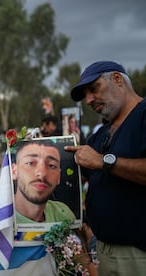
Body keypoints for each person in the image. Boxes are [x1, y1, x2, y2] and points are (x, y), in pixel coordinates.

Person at [65, 61, 146, 275]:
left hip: (137, 255)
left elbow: (100, 162)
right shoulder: (99, 135)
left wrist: (103, 161)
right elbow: (79, 178)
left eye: (94, 89)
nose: (89, 100)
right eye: (86, 95)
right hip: (103, 251)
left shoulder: (143, 114)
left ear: (117, 79)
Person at [12, 139, 76, 225]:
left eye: (51, 165)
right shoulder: (1, 221)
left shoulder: (64, 214)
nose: (42, 174)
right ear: (14, 171)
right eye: (30, 163)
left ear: (59, 177)